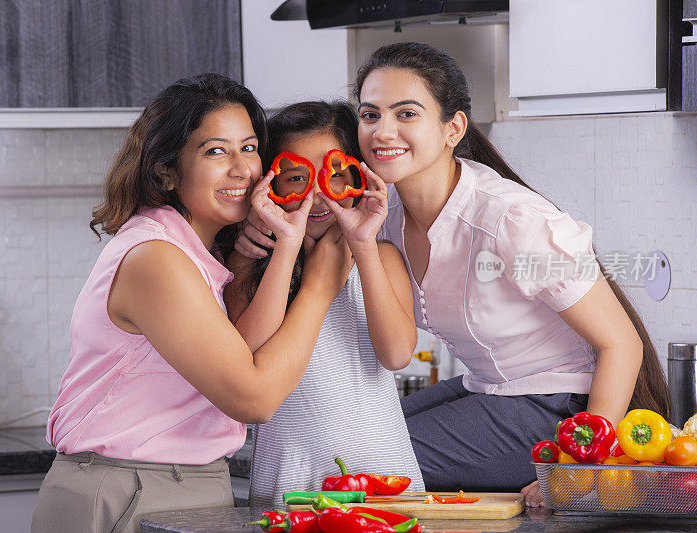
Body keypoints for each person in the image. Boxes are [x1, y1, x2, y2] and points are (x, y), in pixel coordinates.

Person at [236, 43, 671, 506]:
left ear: (453, 128)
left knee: (365, 459)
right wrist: (250, 238)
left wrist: (577, 468)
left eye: (406, 114)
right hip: (485, 389)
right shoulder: (387, 210)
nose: (384, 131)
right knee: (366, 426)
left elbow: (622, 344)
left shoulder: (510, 220)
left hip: (560, 409)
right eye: (369, 114)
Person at [31, 74, 352, 533]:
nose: (243, 169)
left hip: (187, 484)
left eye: (249, 148)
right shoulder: (156, 259)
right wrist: (320, 287)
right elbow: (253, 397)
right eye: (215, 151)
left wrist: (285, 244)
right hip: (124, 488)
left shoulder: (199, 253)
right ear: (166, 171)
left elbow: (244, 351)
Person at [224, 101, 424, 508]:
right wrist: (287, 245)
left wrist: (363, 244)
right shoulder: (250, 258)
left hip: (385, 476)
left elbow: (398, 353)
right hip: (289, 476)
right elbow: (244, 351)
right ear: (271, 183)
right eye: (296, 178)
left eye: (334, 177)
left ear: (358, 177)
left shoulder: (382, 256)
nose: (315, 196)